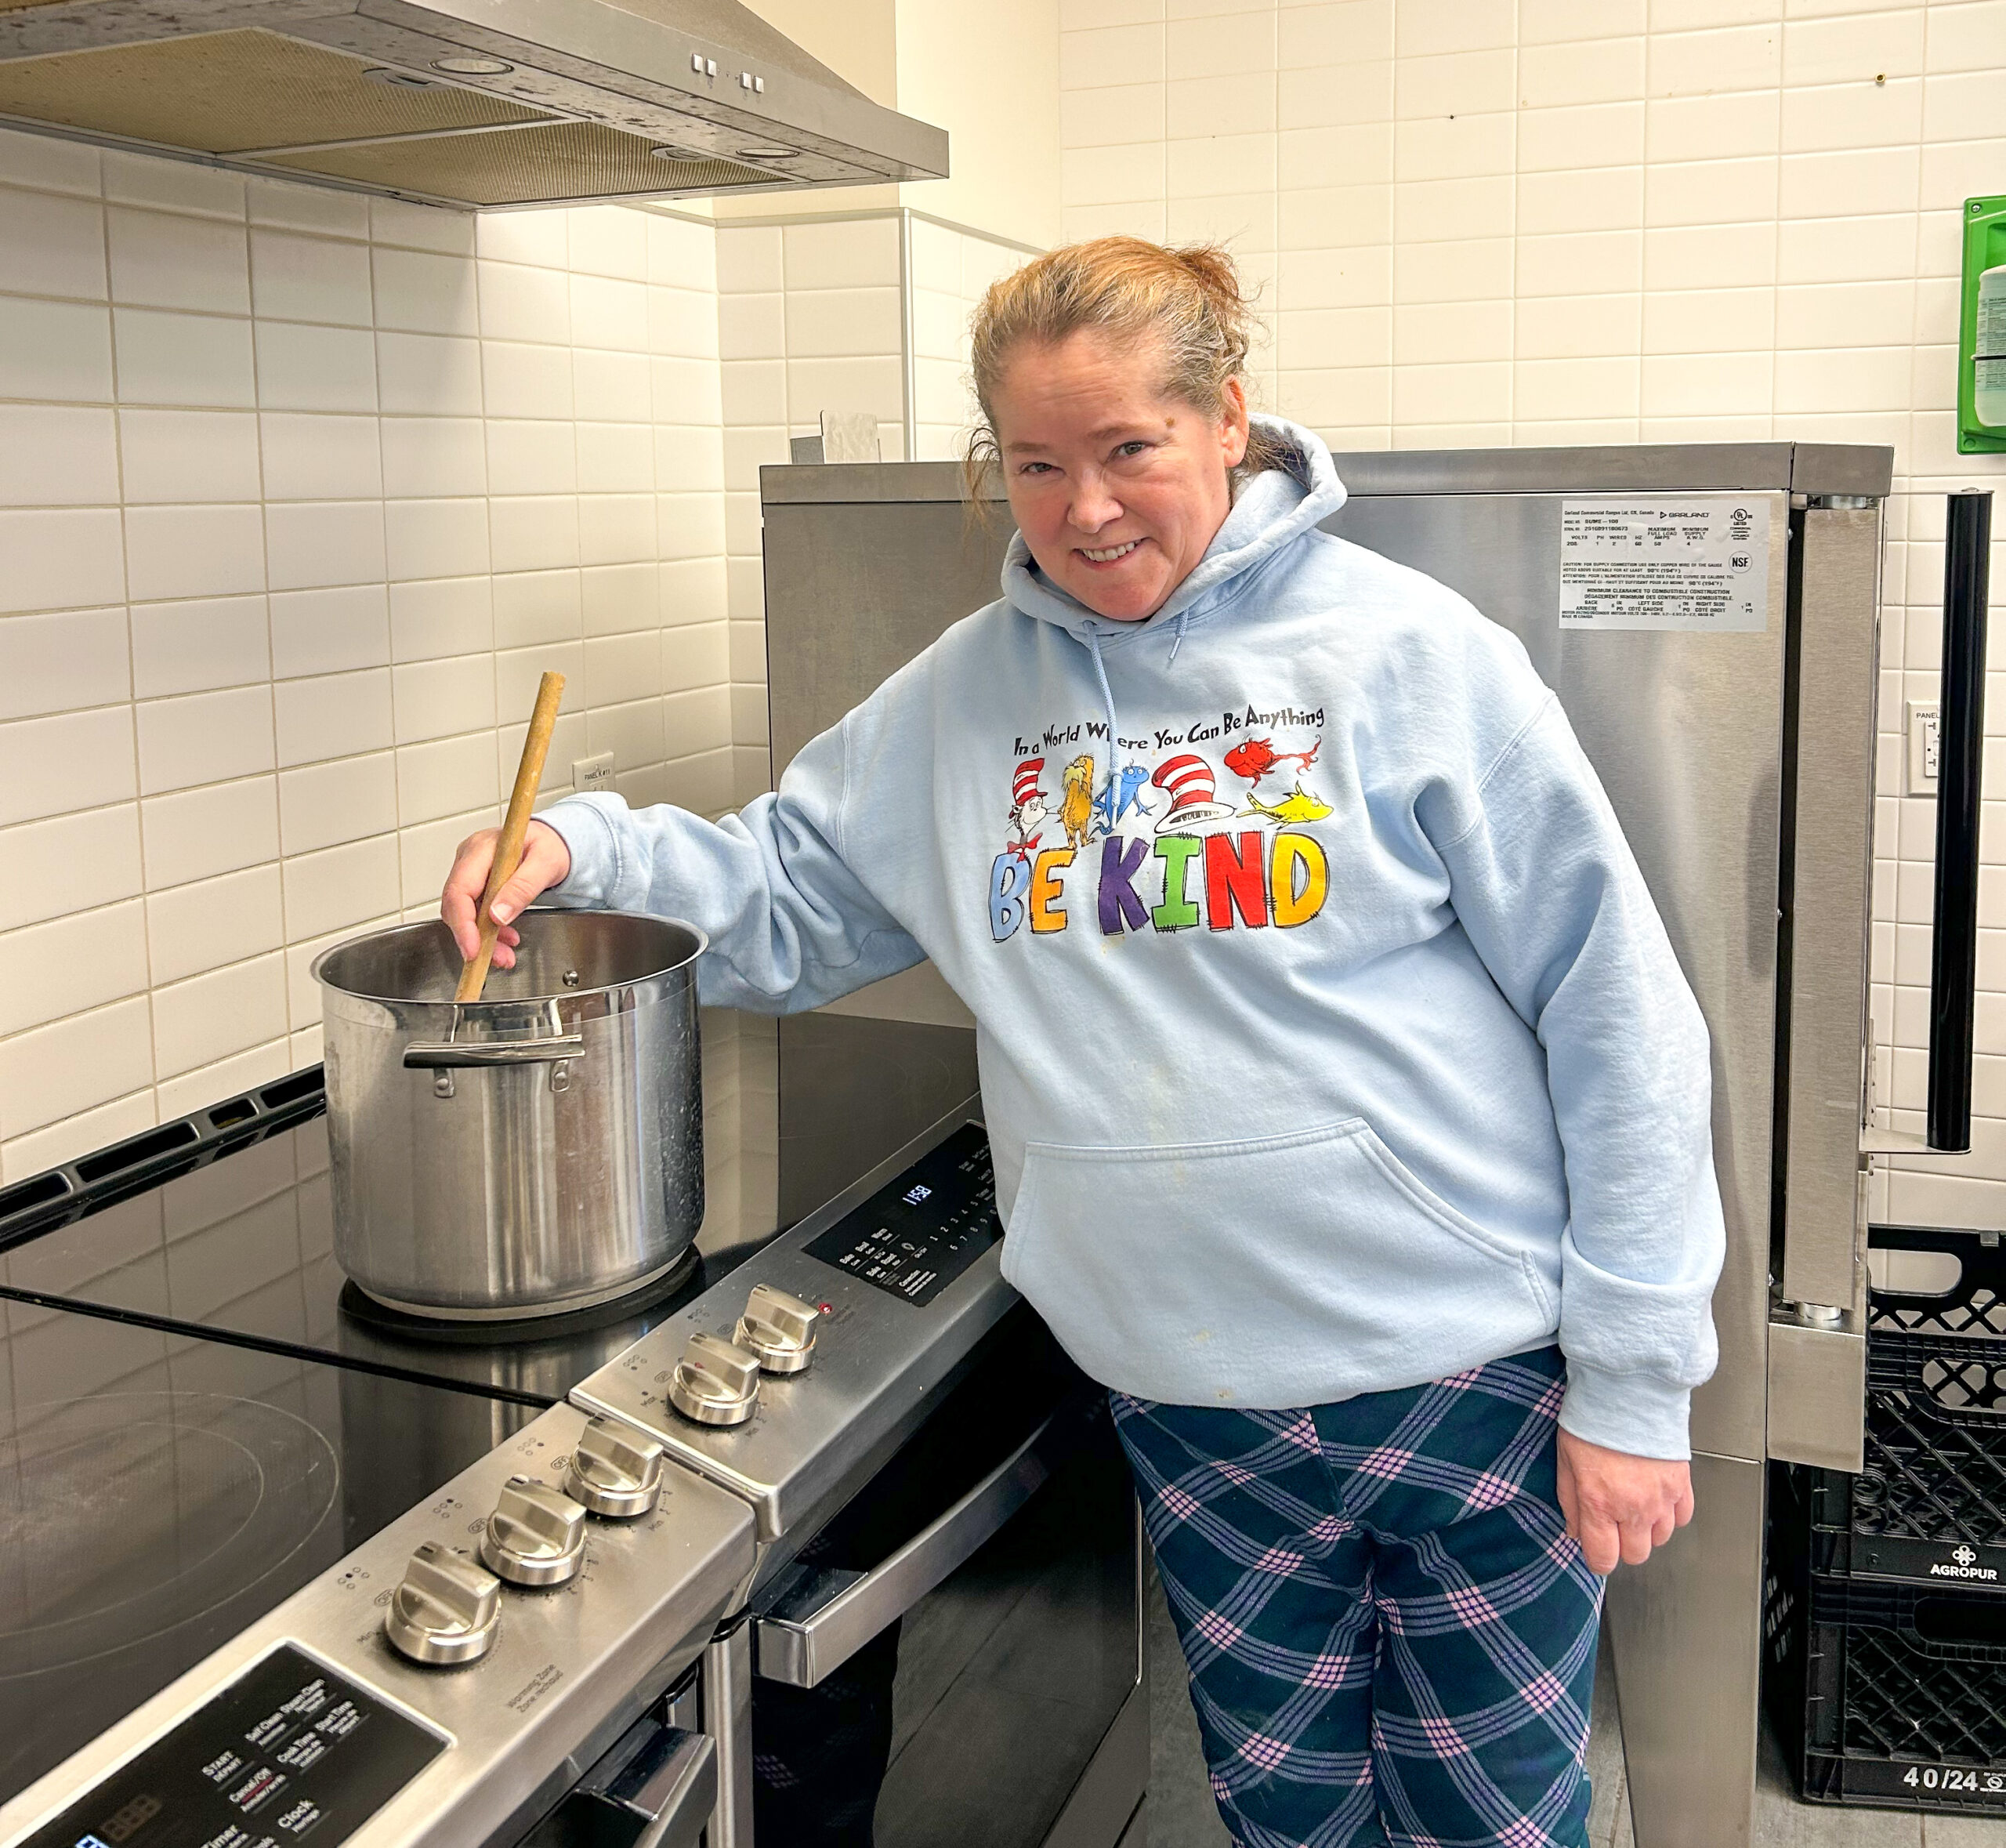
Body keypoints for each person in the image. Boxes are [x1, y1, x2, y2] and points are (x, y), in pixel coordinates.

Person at [444, 237, 1721, 1848]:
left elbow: (1611, 1010)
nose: (1087, 509)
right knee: (1284, 1813)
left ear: (1227, 422)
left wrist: (1629, 1378)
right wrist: (583, 854)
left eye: (1128, 448)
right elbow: (790, 894)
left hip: (1459, 1374)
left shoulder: (1409, 655)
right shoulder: (963, 700)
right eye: (1037, 464)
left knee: (1487, 1821)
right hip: (1183, 1393)